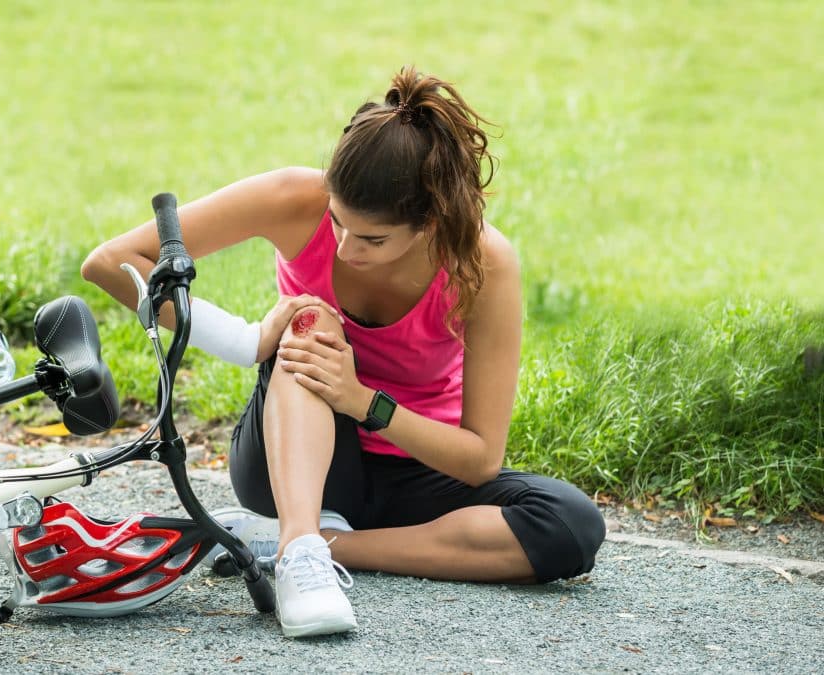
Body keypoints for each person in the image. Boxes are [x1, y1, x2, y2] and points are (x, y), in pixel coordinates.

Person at [81, 66, 606, 639]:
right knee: (311, 326)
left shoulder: (483, 263)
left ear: (430, 223)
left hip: (417, 471)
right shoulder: (292, 197)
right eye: (336, 223)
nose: (345, 248)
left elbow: (480, 459)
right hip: (299, 460)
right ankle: (301, 546)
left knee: (571, 527)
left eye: (373, 239)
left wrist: (362, 400)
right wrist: (248, 339)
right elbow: (113, 261)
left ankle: (314, 545)